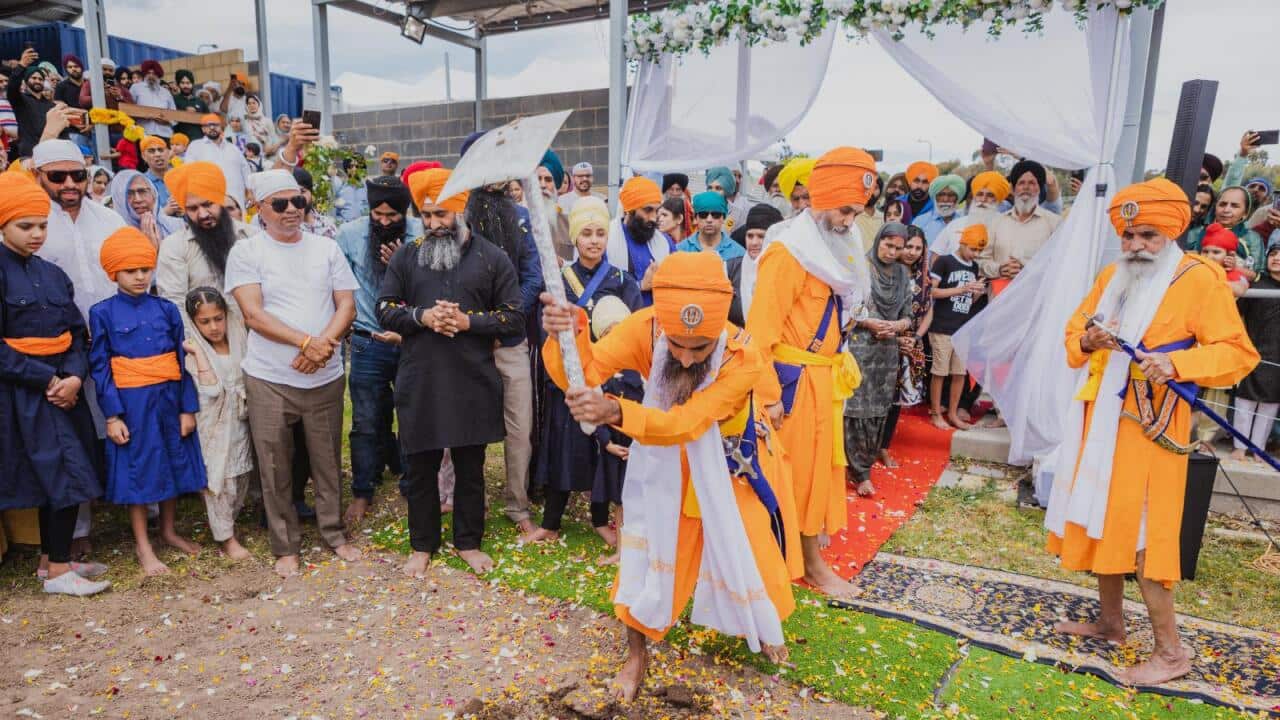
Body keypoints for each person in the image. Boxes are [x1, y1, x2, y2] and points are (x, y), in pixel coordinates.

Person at [542, 250, 801, 700]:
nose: (682, 358)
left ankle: (764, 628)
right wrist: (570, 334)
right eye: (675, 343)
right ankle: (637, 655)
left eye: (699, 348)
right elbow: (583, 374)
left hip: (728, 466)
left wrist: (616, 410)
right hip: (662, 463)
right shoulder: (645, 328)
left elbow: (688, 423)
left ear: (719, 331)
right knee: (646, 556)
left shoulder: (744, 358)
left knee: (751, 554)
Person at [1048, 177, 1258, 686]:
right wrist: (1089, 338)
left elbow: (1237, 354)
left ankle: (1170, 654)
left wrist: (1178, 364)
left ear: (1170, 233)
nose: (1136, 246)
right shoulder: (1112, 276)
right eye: (1128, 236)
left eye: (1147, 236)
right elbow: (1073, 333)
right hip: (1099, 418)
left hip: (1153, 426)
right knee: (1100, 514)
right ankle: (1111, 623)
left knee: (1144, 533)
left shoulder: (1200, 277)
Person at [376, 168, 523, 577]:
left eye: (442, 215)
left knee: (470, 467)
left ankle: (468, 542)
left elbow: (514, 318)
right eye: (426, 216)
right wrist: (421, 316)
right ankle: (422, 545)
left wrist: (467, 323)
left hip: (472, 379)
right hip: (420, 378)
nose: (434, 224)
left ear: (460, 211)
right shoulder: (408, 255)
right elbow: (384, 308)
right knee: (419, 465)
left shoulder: (492, 258)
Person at [748, 146, 875, 598]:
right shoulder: (788, 254)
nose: (848, 222)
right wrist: (769, 396)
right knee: (795, 475)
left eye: (856, 213)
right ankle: (809, 565)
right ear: (819, 203)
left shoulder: (832, 252)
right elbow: (757, 336)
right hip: (792, 384)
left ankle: (801, 556)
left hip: (823, 379)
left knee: (818, 473)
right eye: (844, 210)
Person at [225, 169, 360, 578]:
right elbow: (253, 313)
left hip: (325, 374)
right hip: (270, 376)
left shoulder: (326, 249)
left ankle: (334, 533)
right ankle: (285, 545)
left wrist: (321, 348)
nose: (290, 211)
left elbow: (346, 306)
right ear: (260, 208)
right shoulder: (247, 252)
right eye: (279, 204)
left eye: (297, 202)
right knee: (275, 463)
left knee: (327, 460)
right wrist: (306, 343)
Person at [0, 172, 110, 596]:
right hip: (24, 392)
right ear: (4, 225)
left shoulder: (53, 272)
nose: (36, 234)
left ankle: (52, 561)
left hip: (65, 388)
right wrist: (48, 378)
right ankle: (61, 568)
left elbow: (77, 333)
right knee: (59, 474)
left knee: (68, 471)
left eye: (42, 225)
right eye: (25, 226)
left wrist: (75, 376)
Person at [89, 226, 207, 576]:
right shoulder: (103, 313)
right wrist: (112, 416)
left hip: (169, 399)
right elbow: (100, 367)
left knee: (171, 461)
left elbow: (180, 360)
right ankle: (143, 545)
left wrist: (188, 407)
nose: (140, 277)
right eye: (130, 271)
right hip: (132, 404)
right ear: (114, 273)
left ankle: (168, 531)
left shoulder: (167, 310)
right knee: (137, 471)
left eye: (145, 269)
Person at [527, 197, 642, 546]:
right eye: (586, 233)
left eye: (600, 233)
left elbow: (632, 330)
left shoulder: (623, 280)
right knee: (564, 444)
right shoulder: (559, 279)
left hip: (609, 374)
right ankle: (551, 520)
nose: (593, 240)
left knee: (603, 449)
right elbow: (547, 327)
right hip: (569, 376)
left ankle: (599, 518)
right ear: (575, 237)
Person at [335, 176, 420, 525]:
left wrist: (404, 262)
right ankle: (362, 490)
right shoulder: (349, 235)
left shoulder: (422, 234)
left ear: (405, 211)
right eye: (377, 214)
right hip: (368, 340)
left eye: (392, 215)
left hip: (412, 340)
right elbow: (339, 286)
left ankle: (413, 482)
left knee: (414, 416)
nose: (384, 221)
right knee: (366, 420)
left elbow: (431, 287)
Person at [181, 287, 252, 560]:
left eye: (218, 318)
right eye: (205, 321)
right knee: (219, 480)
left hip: (240, 418)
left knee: (241, 473)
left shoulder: (239, 338)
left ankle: (228, 523)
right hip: (213, 423)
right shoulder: (192, 351)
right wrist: (198, 354)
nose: (214, 327)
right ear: (194, 322)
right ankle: (225, 538)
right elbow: (210, 390)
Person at [844, 223, 913, 497]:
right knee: (855, 410)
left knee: (877, 410)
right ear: (878, 241)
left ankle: (865, 463)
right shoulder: (860, 267)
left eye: (898, 248)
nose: (891, 252)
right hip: (860, 346)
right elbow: (849, 309)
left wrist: (896, 327)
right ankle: (858, 471)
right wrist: (870, 322)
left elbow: (908, 314)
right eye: (887, 245)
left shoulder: (902, 274)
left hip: (887, 350)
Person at [928, 224, 987, 431]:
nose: (976, 254)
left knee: (959, 373)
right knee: (940, 372)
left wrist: (977, 292)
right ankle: (936, 412)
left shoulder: (974, 268)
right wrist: (961, 288)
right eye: (973, 249)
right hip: (942, 325)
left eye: (980, 250)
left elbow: (967, 302)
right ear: (962, 243)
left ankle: (952, 413)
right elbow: (931, 293)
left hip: (962, 328)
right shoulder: (944, 261)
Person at [1231, 237, 1280, 463]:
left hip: (1277, 354)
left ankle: (1258, 448)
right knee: (1244, 401)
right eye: (1272, 254)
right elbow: (1237, 314)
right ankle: (1240, 447)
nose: (1276, 259)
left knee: (1270, 405)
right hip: (1253, 348)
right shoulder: (1257, 286)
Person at [978, 160, 1062, 285]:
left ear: (1040, 188)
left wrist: (1026, 271)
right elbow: (981, 261)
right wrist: (999, 269)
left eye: (1032, 183)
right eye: (1021, 183)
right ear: (1012, 189)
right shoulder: (996, 222)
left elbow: (1061, 263)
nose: (1026, 187)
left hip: (1037, 298)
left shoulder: (1054, 223)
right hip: (1000, 298)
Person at [606, 176, 676, 307]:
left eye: (657, 211)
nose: (654, 218)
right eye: (648, 210)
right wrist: (640, 285)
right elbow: (600, 288)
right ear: (629, 210)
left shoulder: (665, 242)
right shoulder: (606, 240)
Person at [1185, 186, 1264, 278]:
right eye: (1222, 204)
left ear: (1245, 213)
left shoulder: (1252, 238)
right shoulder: (1196, 233)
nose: (1226, 210)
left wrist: (1235, 267)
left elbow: (1255, 275)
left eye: (1234, 206)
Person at [726, 203, 784, 327]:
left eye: (761, 236)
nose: (754, 242)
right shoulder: (730, 269)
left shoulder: (786, 271)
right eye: (750, 236)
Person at [931, 170, 1009, 257]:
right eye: (979, 194)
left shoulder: (1006, 225)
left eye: (990, 195)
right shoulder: (956, 224)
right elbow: (936, 254)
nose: (983, 199)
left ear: (998, 200)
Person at [184, 114, 252, 211]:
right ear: (203, 129)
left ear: (221, 127)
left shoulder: (233, 148)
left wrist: (250, 191)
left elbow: (245, 170)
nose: (212, 128)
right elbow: (189, 172)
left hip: (236, 200)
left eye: (215, 125)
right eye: (208, 125)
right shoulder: (195, 146)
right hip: (210, 200)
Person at [108, 169, 183, 248]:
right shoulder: (114, 235)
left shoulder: (177, 226)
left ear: (153, 195)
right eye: (129, 194)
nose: (138, 199)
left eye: (142, 191)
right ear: (119, 200)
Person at [8, 49, 57, 156]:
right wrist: (22, 65)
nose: (37, 81)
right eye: (33, 78)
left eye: (40, 79)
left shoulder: (51, 106)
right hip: (29, 152)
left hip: (50, 152)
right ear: (26, 81)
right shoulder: (20, 100)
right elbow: (12, 87)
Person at [677, 191, 746, 261]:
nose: (709, 220)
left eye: (716, 215)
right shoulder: (681, 250)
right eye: (703, 215)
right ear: (695, 218)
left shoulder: (738, 254)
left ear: (724, 218)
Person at [535, 149, 574, 261]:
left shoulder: (568, 222)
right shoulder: (520, 218)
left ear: (555, 185)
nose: (542, 185)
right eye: (538, 179)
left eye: (548, 180)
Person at [911, 174, 965, 248]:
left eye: (951, 195)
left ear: (957, 198)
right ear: (935, 197)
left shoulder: (964, 222)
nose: (945, 199)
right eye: (941, 195)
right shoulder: (920, 222)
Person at [129, 60, 175, 140]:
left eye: (154, 74)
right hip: (144, 134)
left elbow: (175, 116)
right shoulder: (136, 88)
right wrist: (143, 114)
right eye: (148, 73)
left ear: (158, 75)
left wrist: (166, 120)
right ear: (144, 74)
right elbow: (129, 110)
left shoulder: (166, 92)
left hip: (164, 134)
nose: (151, 76)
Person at [705, 165, 749, 232]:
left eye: (739, 176)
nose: (737, 180)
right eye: (733, 175)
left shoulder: (746, 204)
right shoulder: (708, 203)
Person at [171, 70, 209, 141]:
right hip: (181, 142)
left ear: (192, 84)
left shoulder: (200, 101)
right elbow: (170, 119)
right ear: (178, 84)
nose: (185, 86)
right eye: (182, 83)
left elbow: (209, 120)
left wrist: (196, 114)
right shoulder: (173, 100)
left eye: (188, 83)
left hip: (200, 140)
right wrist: (184, 112)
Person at [138, 136, 173, 208]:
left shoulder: (182, 176)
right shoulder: (141, 182)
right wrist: (166, 211)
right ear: (143, 156)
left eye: (161, 150)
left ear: (168, 153)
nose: (158, 154)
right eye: (151, 151)